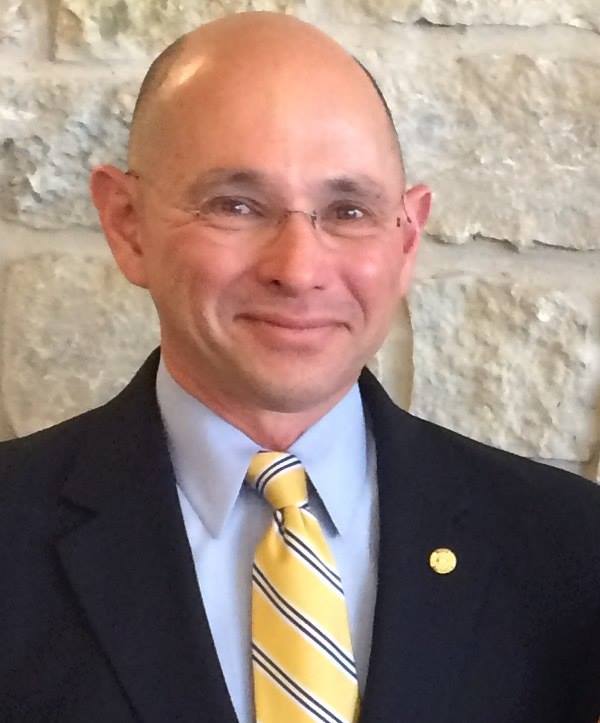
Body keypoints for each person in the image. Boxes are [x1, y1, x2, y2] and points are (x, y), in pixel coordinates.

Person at [1, 11, 599, 723]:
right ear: (128, 224)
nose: (298, 268)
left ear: (407, 240)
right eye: (236, 205)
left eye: (348, 211)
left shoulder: (572, 550)